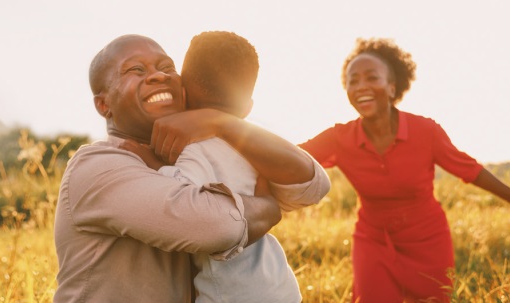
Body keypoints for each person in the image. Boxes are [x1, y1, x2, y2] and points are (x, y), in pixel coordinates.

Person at [54, 34, 315, 302]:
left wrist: (221, 123)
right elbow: (219, 228)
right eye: (136, 70)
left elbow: (311, 184)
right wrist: (269, 208)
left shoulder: (198, 152)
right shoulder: (98, 166)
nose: (159, 76)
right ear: (104, 104)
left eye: (167, 67)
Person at [297, 38, 510, 302]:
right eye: (352, 81)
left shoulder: (425, 132)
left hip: (428, 243)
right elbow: (291, 156)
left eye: (371, 77)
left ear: (392, 87)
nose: (361, 86)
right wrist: (245, 138)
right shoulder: (340, 138)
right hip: (373, 242)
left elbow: (470, 170)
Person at [121, 31, 329, 303]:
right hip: (281, 287)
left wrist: (151, 163)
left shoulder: (194, 150)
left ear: (183, 92)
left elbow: (182, 200)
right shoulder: (256, 150)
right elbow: (312, 188)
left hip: (230, 294)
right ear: (247, 108)